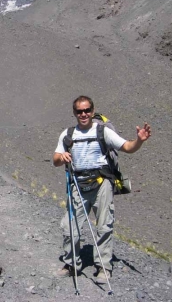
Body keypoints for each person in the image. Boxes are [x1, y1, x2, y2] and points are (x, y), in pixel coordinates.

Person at [52, 96, 151, 284]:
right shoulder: (68, 134)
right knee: (69, 226)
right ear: (74, 113)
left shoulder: (102, 131)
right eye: (79, 111)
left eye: (87, 110)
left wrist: (139, 140)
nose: (83, 114)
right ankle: (71, 264)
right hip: (77, 184)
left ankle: (103, 267)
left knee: (104, 225)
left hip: (102, 183)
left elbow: (127, 147)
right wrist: (62, 157)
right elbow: (55, 160)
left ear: (92, 110)